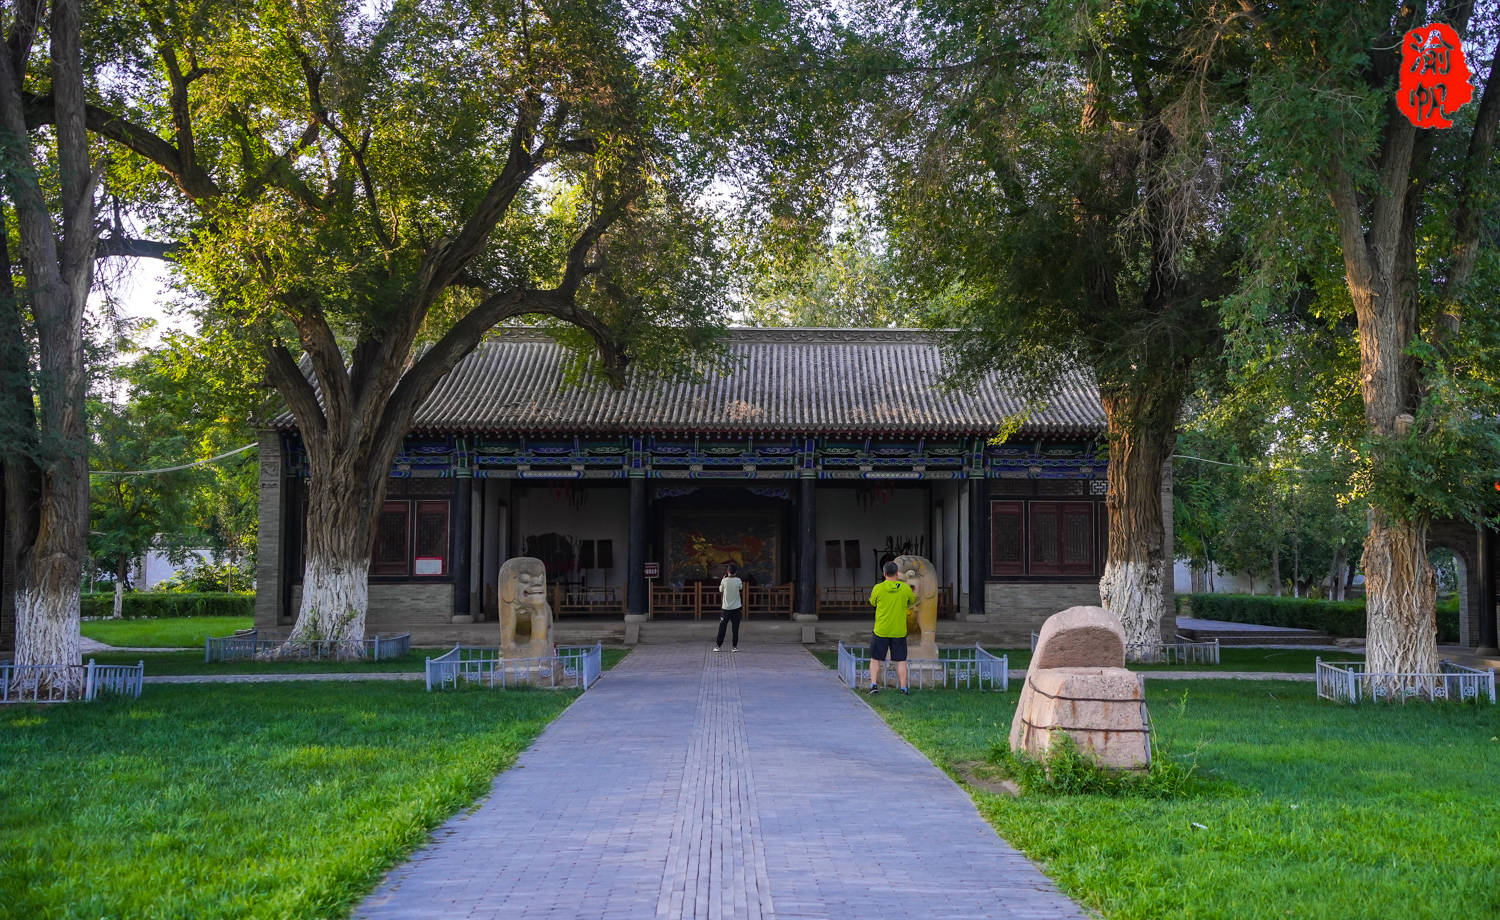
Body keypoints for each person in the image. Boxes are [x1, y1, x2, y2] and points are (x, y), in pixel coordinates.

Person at [867, 560, 914, 694]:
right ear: (897, 573)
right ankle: (904, 688)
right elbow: (911, 600)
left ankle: (874, 686)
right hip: (899, 631)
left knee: (875, 659)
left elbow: (872, 602)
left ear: (884, 573)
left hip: (881, 630)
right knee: (901, 660)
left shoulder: (878, 588)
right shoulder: (905, 589)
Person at [714, 563, 744, 652]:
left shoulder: (724, 581)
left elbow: (720, 590)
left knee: (722, 628)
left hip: (726, 608)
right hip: (736, 608)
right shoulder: (738, 580)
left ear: (728, 572)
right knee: (735, 628)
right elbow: (740, 588)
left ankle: (718, 646)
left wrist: (723, 580)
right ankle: (734, 647)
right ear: (736, 572)